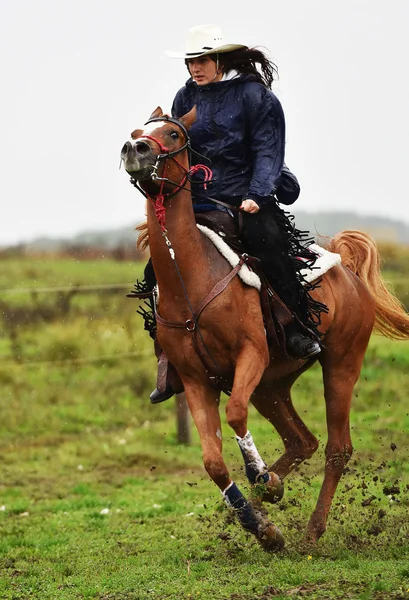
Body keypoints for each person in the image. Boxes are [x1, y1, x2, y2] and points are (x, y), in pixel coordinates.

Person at [148, 24, 325, 404]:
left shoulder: (254, 96)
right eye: (190, 61)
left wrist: (258, 194)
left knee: (268, 242)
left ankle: (296, 326)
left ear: (219, 59)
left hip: (248, 194)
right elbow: (183, 152)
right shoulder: (185, 96)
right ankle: (170, 356)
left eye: (202, 60)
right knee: (156, 267)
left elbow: (267, 149)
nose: (195, 68)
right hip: (200, 198)